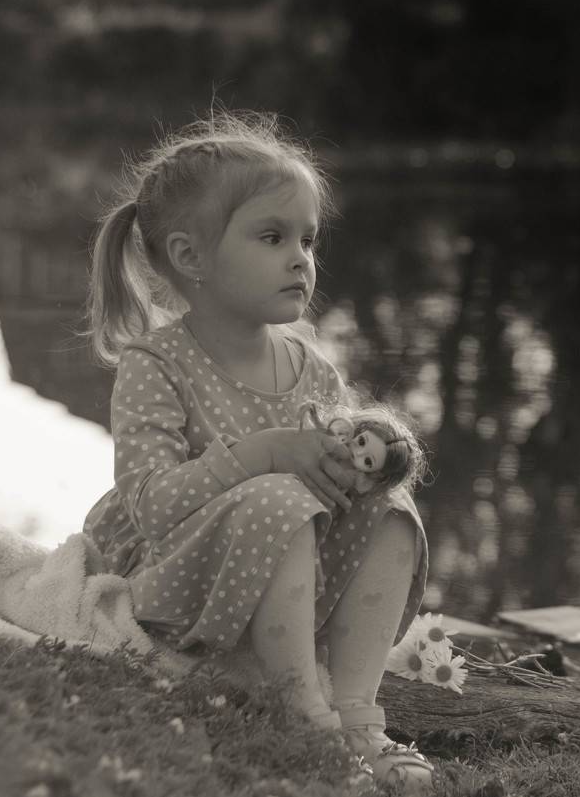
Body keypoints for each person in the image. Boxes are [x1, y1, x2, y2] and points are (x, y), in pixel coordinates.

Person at [79, 112, 433, 793]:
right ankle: (304, 719)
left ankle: (358, 715)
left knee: (392, 509)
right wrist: (263, 452)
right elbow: (150, 506)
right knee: (277, 494)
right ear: (191, 258)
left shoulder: (312, 368)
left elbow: (333, 491)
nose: (301, 258)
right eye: (273, 237)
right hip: (177, 578)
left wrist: (365, 464)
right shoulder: (157, 364)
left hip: (287, 572)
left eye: (308, 239)